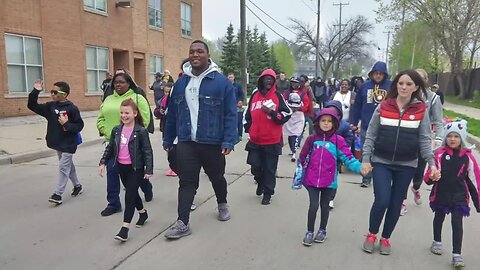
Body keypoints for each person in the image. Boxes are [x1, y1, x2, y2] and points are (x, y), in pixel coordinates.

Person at [163, 40, 237, 239]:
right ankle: (183, 223)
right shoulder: (181, 83)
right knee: (186, 182)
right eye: (192, 52)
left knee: (217, 177)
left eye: (199, 51)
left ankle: (222, 203)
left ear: (207, 54)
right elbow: (173, 114)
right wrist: (168, 139)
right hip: (187, 141)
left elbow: (231, 114)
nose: (195, 55)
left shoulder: (221, 83)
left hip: (212, 142)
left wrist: (229, 140)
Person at [360, 69, 440, 255]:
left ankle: (385, 238)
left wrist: (432, 164)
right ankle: (372, 234)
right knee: (382, 200)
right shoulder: (384, 106)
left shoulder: (421, 109)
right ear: (396, 84)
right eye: (401, 83)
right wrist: (365, 159)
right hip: (381, 161)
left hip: (407, 165)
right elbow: (371, 135)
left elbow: (424, 139)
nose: (403, 87)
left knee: (396, 203)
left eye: (409, 84)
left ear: (416, 87)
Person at [294, 108, 362, 246]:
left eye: (329, 121)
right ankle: (309, 231)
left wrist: (360, 168)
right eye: (323, 120)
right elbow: (302, 158)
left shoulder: (338, 140)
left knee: (325, 206)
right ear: (317, 123)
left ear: (334, 124)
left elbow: (348, 157)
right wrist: (299, 176)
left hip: (329, 181)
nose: (326, 123)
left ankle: (322, 230)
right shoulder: (311, 139)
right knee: (313, 206)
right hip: (311, 180)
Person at [424, 119, 480, 267]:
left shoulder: (468, 157)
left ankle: (457, 254)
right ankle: (437, 241)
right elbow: (429, 175)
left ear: (461, 138)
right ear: (445, 138)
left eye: (456, 136)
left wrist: (478, 202)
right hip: (441, 193)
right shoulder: (439, 155)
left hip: (459, 196)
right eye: (450, 136)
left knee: (457, 223)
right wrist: (431, 175)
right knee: (439, 218)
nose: (453, 139)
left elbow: (475, 181)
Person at [97, 72, 153, 216]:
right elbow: (100, 118)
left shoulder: (137, 98)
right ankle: (113, 203)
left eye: (122, 82)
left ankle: (146, 188)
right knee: (112, 171)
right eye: (116, 82)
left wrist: (134, 135)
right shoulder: (108, 99)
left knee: (135, 175)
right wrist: (105, 130)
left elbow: (145, 119)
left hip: (132, 143)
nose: (118, 85)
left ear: (129, 83)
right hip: (113, 142)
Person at [98, 98, 153, 242]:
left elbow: (147, 151)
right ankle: (142, 213)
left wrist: (149, 169)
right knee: (133, 194)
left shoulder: (140, 131)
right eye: (121, 113)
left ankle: (124, 229)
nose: (124, 115)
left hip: (136, 168)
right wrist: (103, 162)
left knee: (129, 196)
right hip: (122, 167)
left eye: (127, 113)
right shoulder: (117, 129)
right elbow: (110, 147)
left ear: (135, 113)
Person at [27, 80, 84, 205]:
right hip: (58, 142)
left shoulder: (72, 109)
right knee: (68, 166)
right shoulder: (50, 107)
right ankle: (77, 186)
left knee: (64, 166)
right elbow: (32, 105)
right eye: (51, 92)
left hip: (69, 143)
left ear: (64, 94)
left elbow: (79, 125)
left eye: (55, 92)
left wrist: (67, 124)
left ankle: (58, 194)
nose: (52, 94)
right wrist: (35, 91)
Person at [245, 68, 292, 205]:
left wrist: (273, 113)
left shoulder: (277, 96)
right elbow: (247, 115)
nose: (269, 82)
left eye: (271, 80)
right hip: (255, 140)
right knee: (255, 167)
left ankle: (267, 193)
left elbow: (287, 113)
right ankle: (260, 182)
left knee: (270, 169)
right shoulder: (254, 96)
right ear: (261, 81)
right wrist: (249, 128)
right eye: (266, 79)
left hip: (272, 140)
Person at [401, 68, 445, 215]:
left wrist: (438, 139)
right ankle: (401, 200)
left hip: (424, 139)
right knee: (405, 168)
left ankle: (416, 187)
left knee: (419, 170)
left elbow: (439, 121)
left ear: (426, 81)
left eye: (421, 78)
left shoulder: (433, 98)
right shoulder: (406, 96)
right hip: (407, 138)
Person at [351, 61, 392, 187]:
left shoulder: (391, 87)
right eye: (376, 73)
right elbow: (357, 105)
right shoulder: (364, 86)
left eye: (381, 73)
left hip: (385, 126)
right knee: (366, 151)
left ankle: (381, 178)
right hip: (366, 125)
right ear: (372, 74)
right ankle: (366, 178)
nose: (378, 76)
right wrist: (353, 121)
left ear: (385, 74)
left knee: (382, 153)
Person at [324, 100, 355, 209]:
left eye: (334, 111)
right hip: (321, 156)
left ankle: (330, 198)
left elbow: (350, 137)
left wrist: (342, 148)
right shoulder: (322, 123)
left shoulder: (344, 126)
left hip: (335, 156)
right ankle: (322, 194)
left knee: (332, 177)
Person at [283, 92, 305, 162]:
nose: (294, 108)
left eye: (296, 107)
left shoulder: (301, 110)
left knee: (295, 135)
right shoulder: (286, 96)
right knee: (290, 135)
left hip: (298, 119)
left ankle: (294, 151)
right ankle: (292, 149)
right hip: (289, 120)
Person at [227, 72, 245, 142]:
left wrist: (240, 101)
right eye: (229, 77)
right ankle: (231, 135)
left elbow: (241, 94)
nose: (230, 78)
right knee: (231, 121)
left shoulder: (238, 86)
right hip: (228, 106)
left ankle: (240, 135)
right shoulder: (226, 85)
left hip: (237, 105)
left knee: (239, 121)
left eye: (231, 77)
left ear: (234, 77)